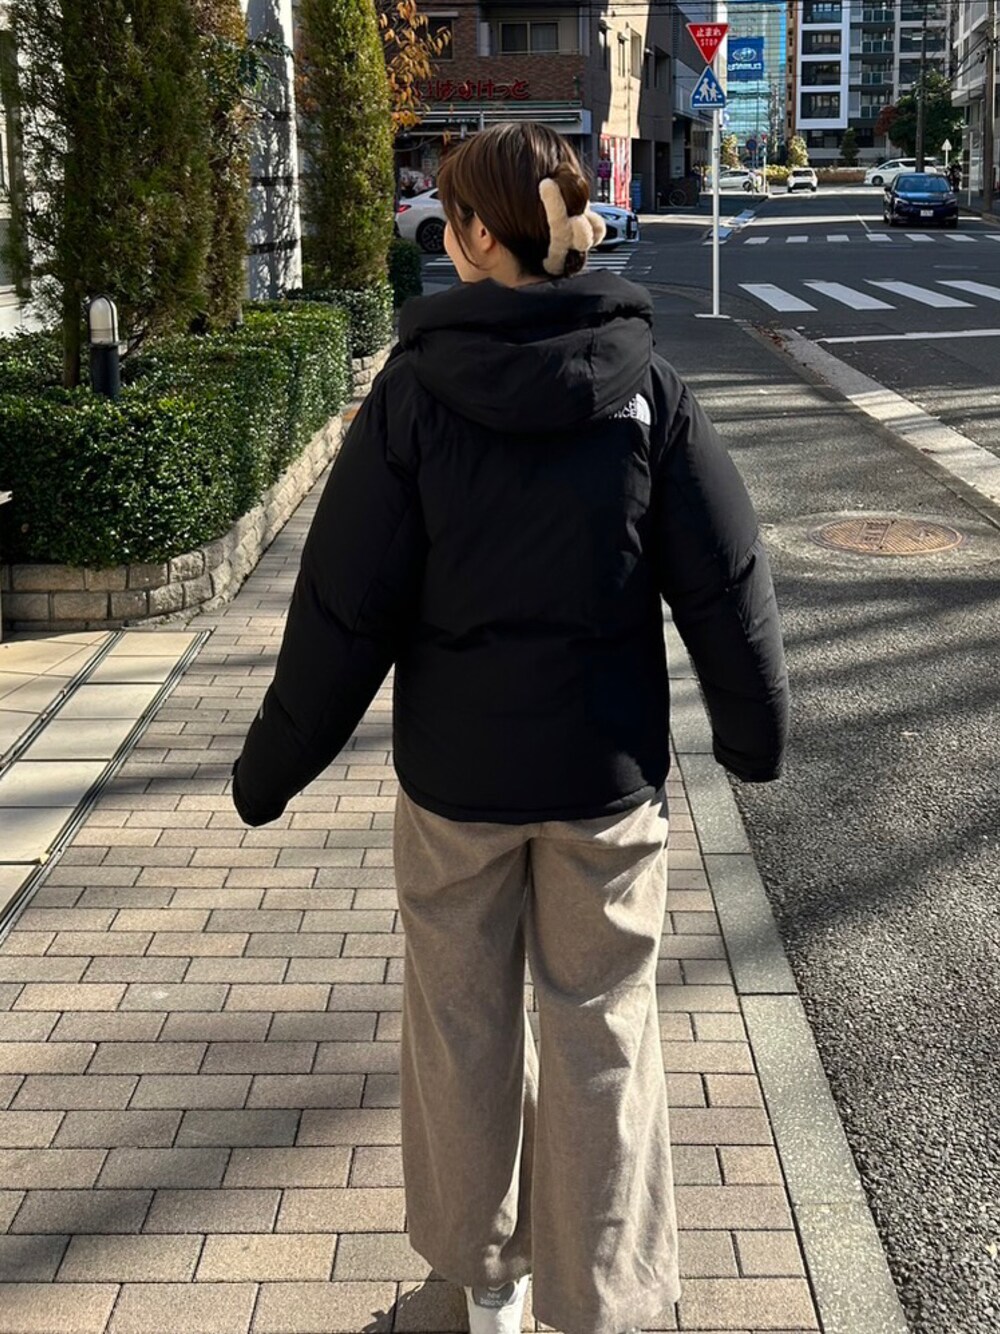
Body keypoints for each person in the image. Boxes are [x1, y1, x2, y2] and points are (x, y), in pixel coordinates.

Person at [233, 122, 788, 1334]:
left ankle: (482, 1286)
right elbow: (725, 578)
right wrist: (751, 733)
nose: (444, 233)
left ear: (481, 236)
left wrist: (272, 764)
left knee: (459, 1029)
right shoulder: (645, 389)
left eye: (450, 217)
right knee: (603, 1032)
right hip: (606, 782)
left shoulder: (413, 396)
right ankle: (601, 1302)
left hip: (456, 786)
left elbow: (343, 606)